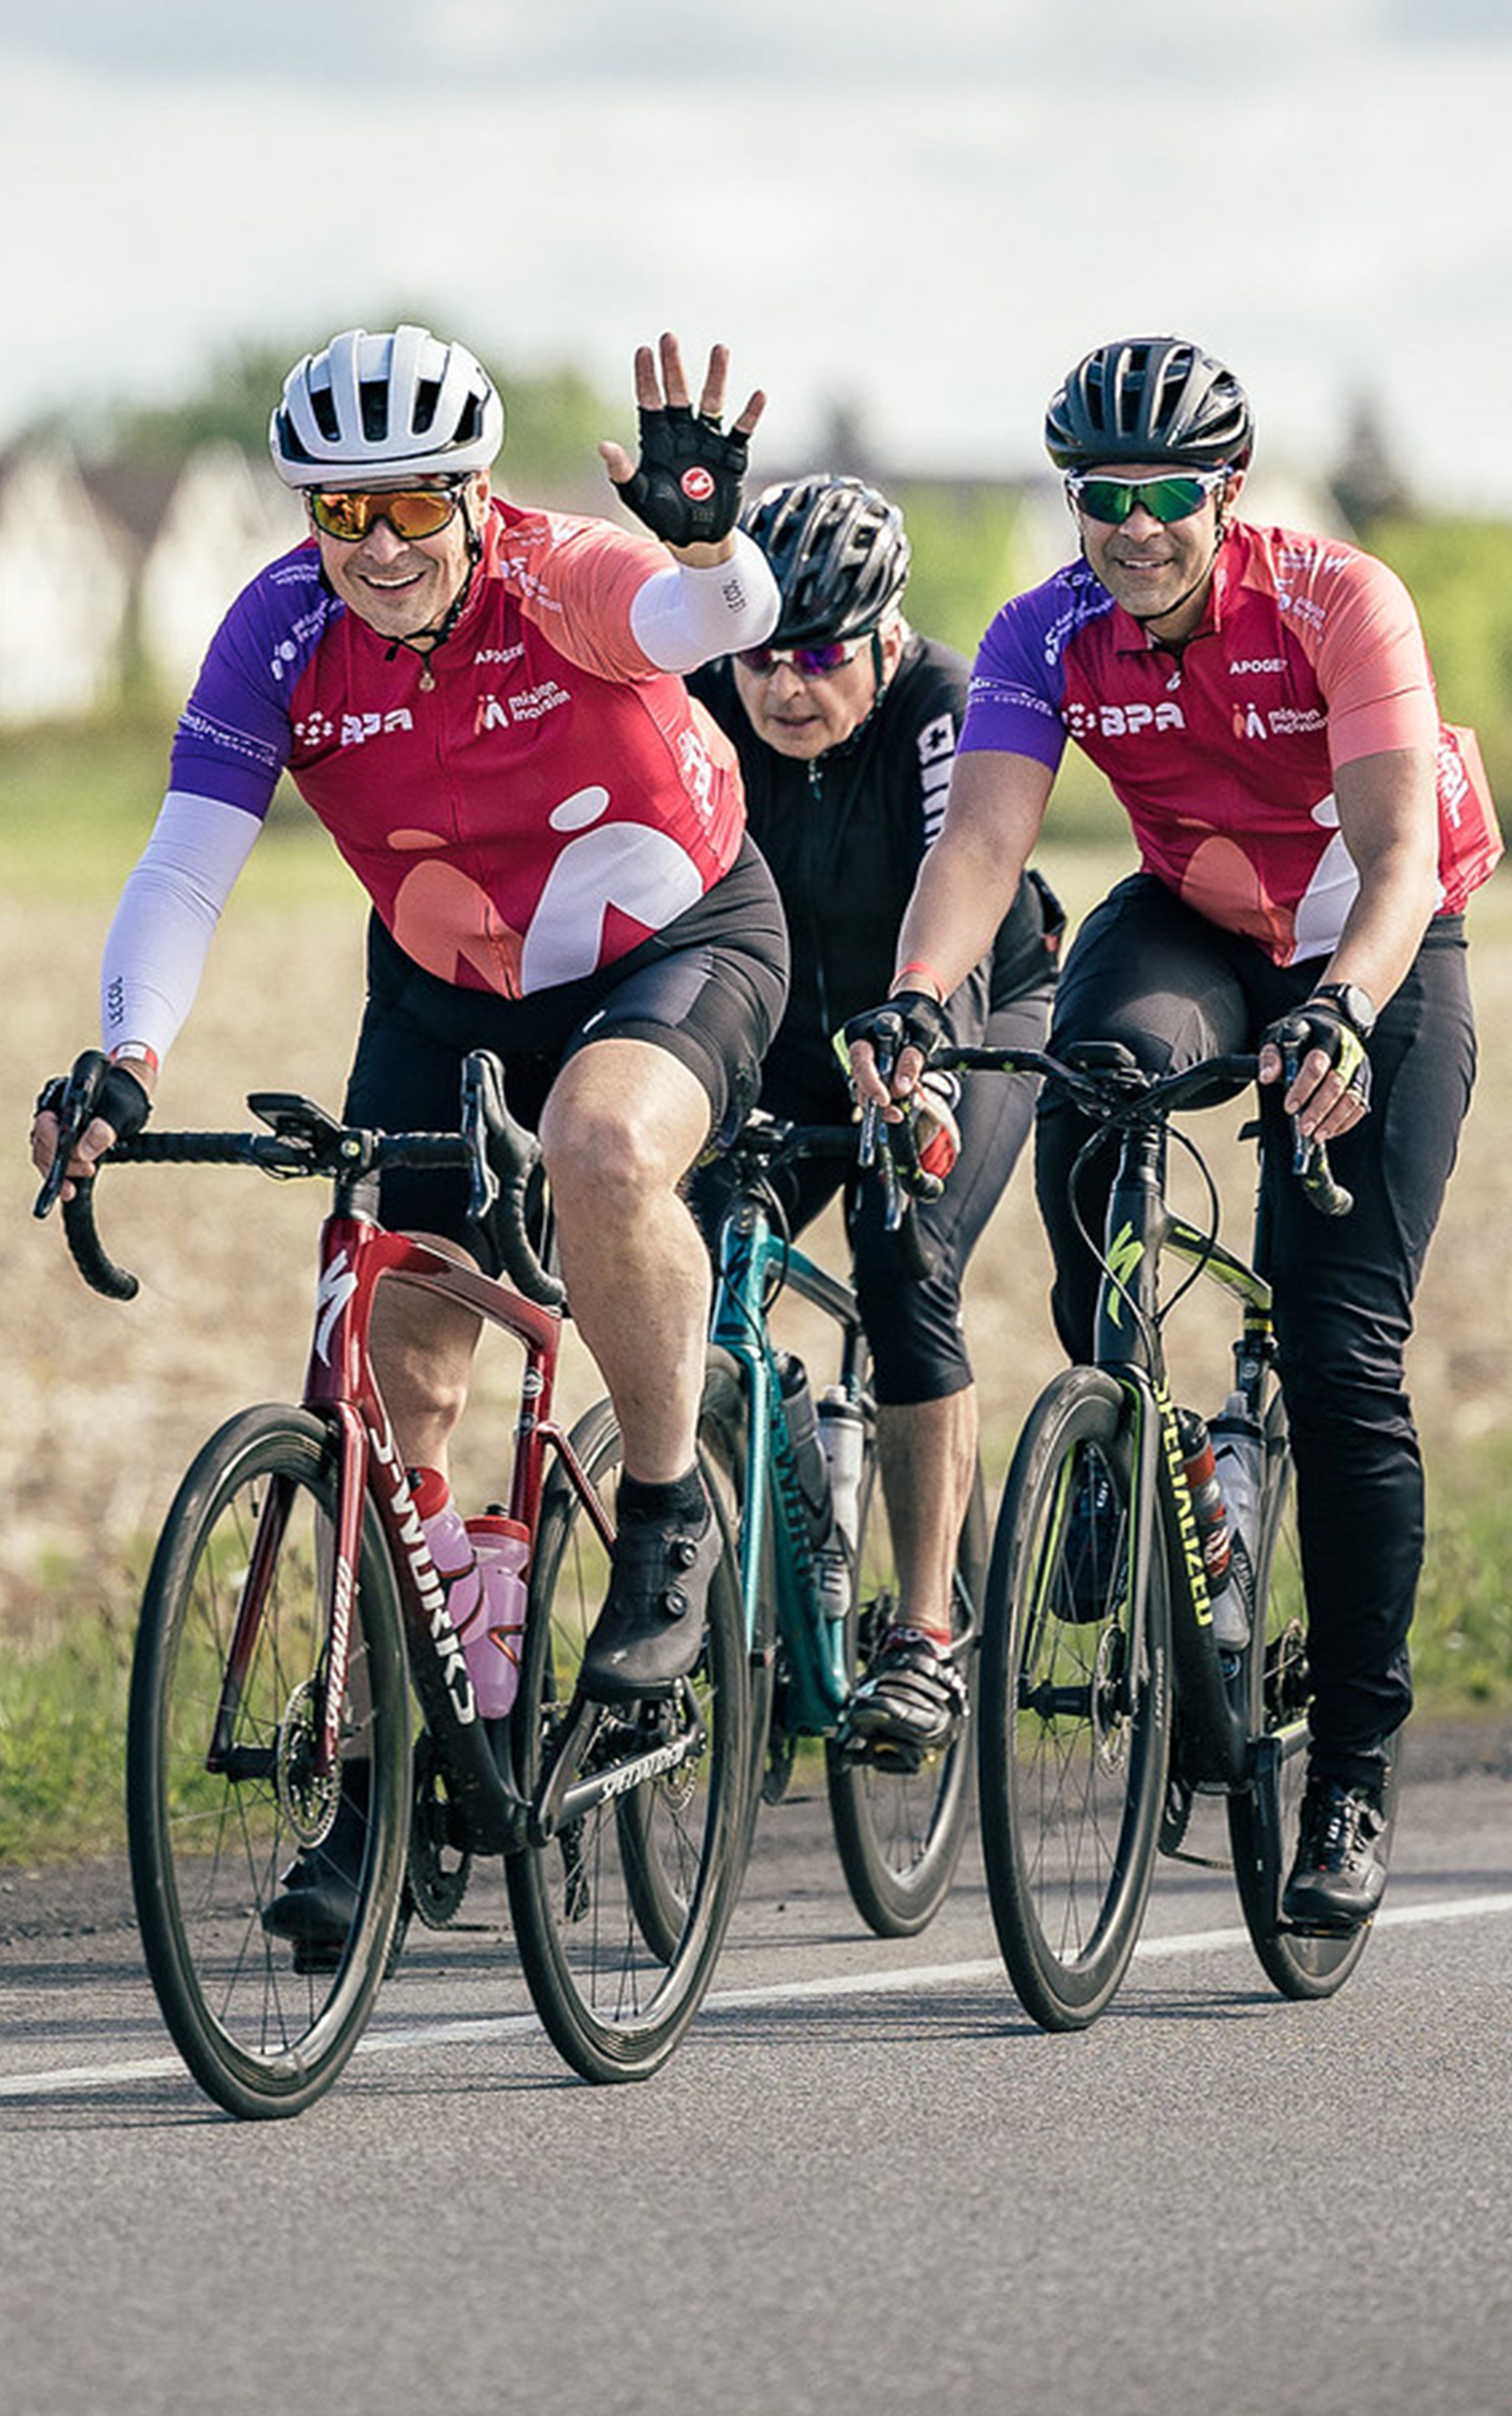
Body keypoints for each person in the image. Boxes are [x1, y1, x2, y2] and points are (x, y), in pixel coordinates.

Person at [32, 324, 789, 1956]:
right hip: (451, 990)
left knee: (601, 1150)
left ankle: (662, 1515)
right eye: (341, 514)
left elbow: (711, 617)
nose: (378, 549)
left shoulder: (566, 573)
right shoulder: (279, 631)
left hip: (677, 942)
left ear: (474, 493)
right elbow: (182, 869)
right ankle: (385, 1781)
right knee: (399, 1372)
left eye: (413, 508)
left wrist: (712, 537)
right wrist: (121, 1060)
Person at [845, 334, 1501, 1926]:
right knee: (1093, 1082)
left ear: (1225, 492)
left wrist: (1340, 1009)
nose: (1131, 526)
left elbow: (1402, 849)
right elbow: (987, 838)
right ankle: (1124, 1445)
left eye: (1162, 495)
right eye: (1098, 497)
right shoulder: (1045, 627)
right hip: (1196, 917)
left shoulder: (1341, 601)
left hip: (1373, 937)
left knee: (1342, 1366)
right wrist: (920, 997)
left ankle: (1350, 1765)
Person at [688, 475, 1062, 1762]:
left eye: (819, 656)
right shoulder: (702, 711)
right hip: (792, 1045)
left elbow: (964, 881)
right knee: (678, 1264)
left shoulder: (938, 709)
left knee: (905, 1258)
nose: (787, 688)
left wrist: (918, 1053)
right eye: (759, 659)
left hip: (969, 1017)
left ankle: (923, 1636)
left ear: (883, 639)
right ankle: (781, 1467)